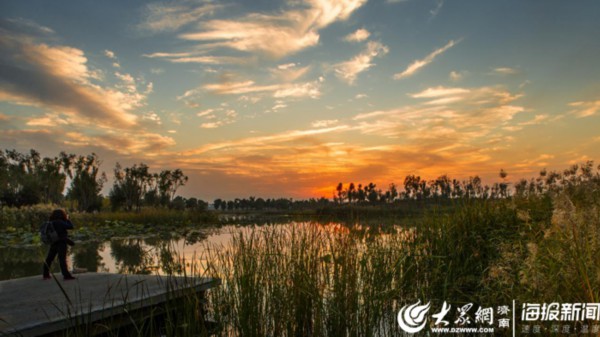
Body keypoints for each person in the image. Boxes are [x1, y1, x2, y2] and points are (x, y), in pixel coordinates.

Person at [42, 209, 76, 280]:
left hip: (54, 242)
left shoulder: (51, 222)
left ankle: (45, 274)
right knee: (62, 259)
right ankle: (66, 275)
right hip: (61, 242)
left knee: (49, 259)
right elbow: (71, 226)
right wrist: (68, 219)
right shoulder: (60, 222)